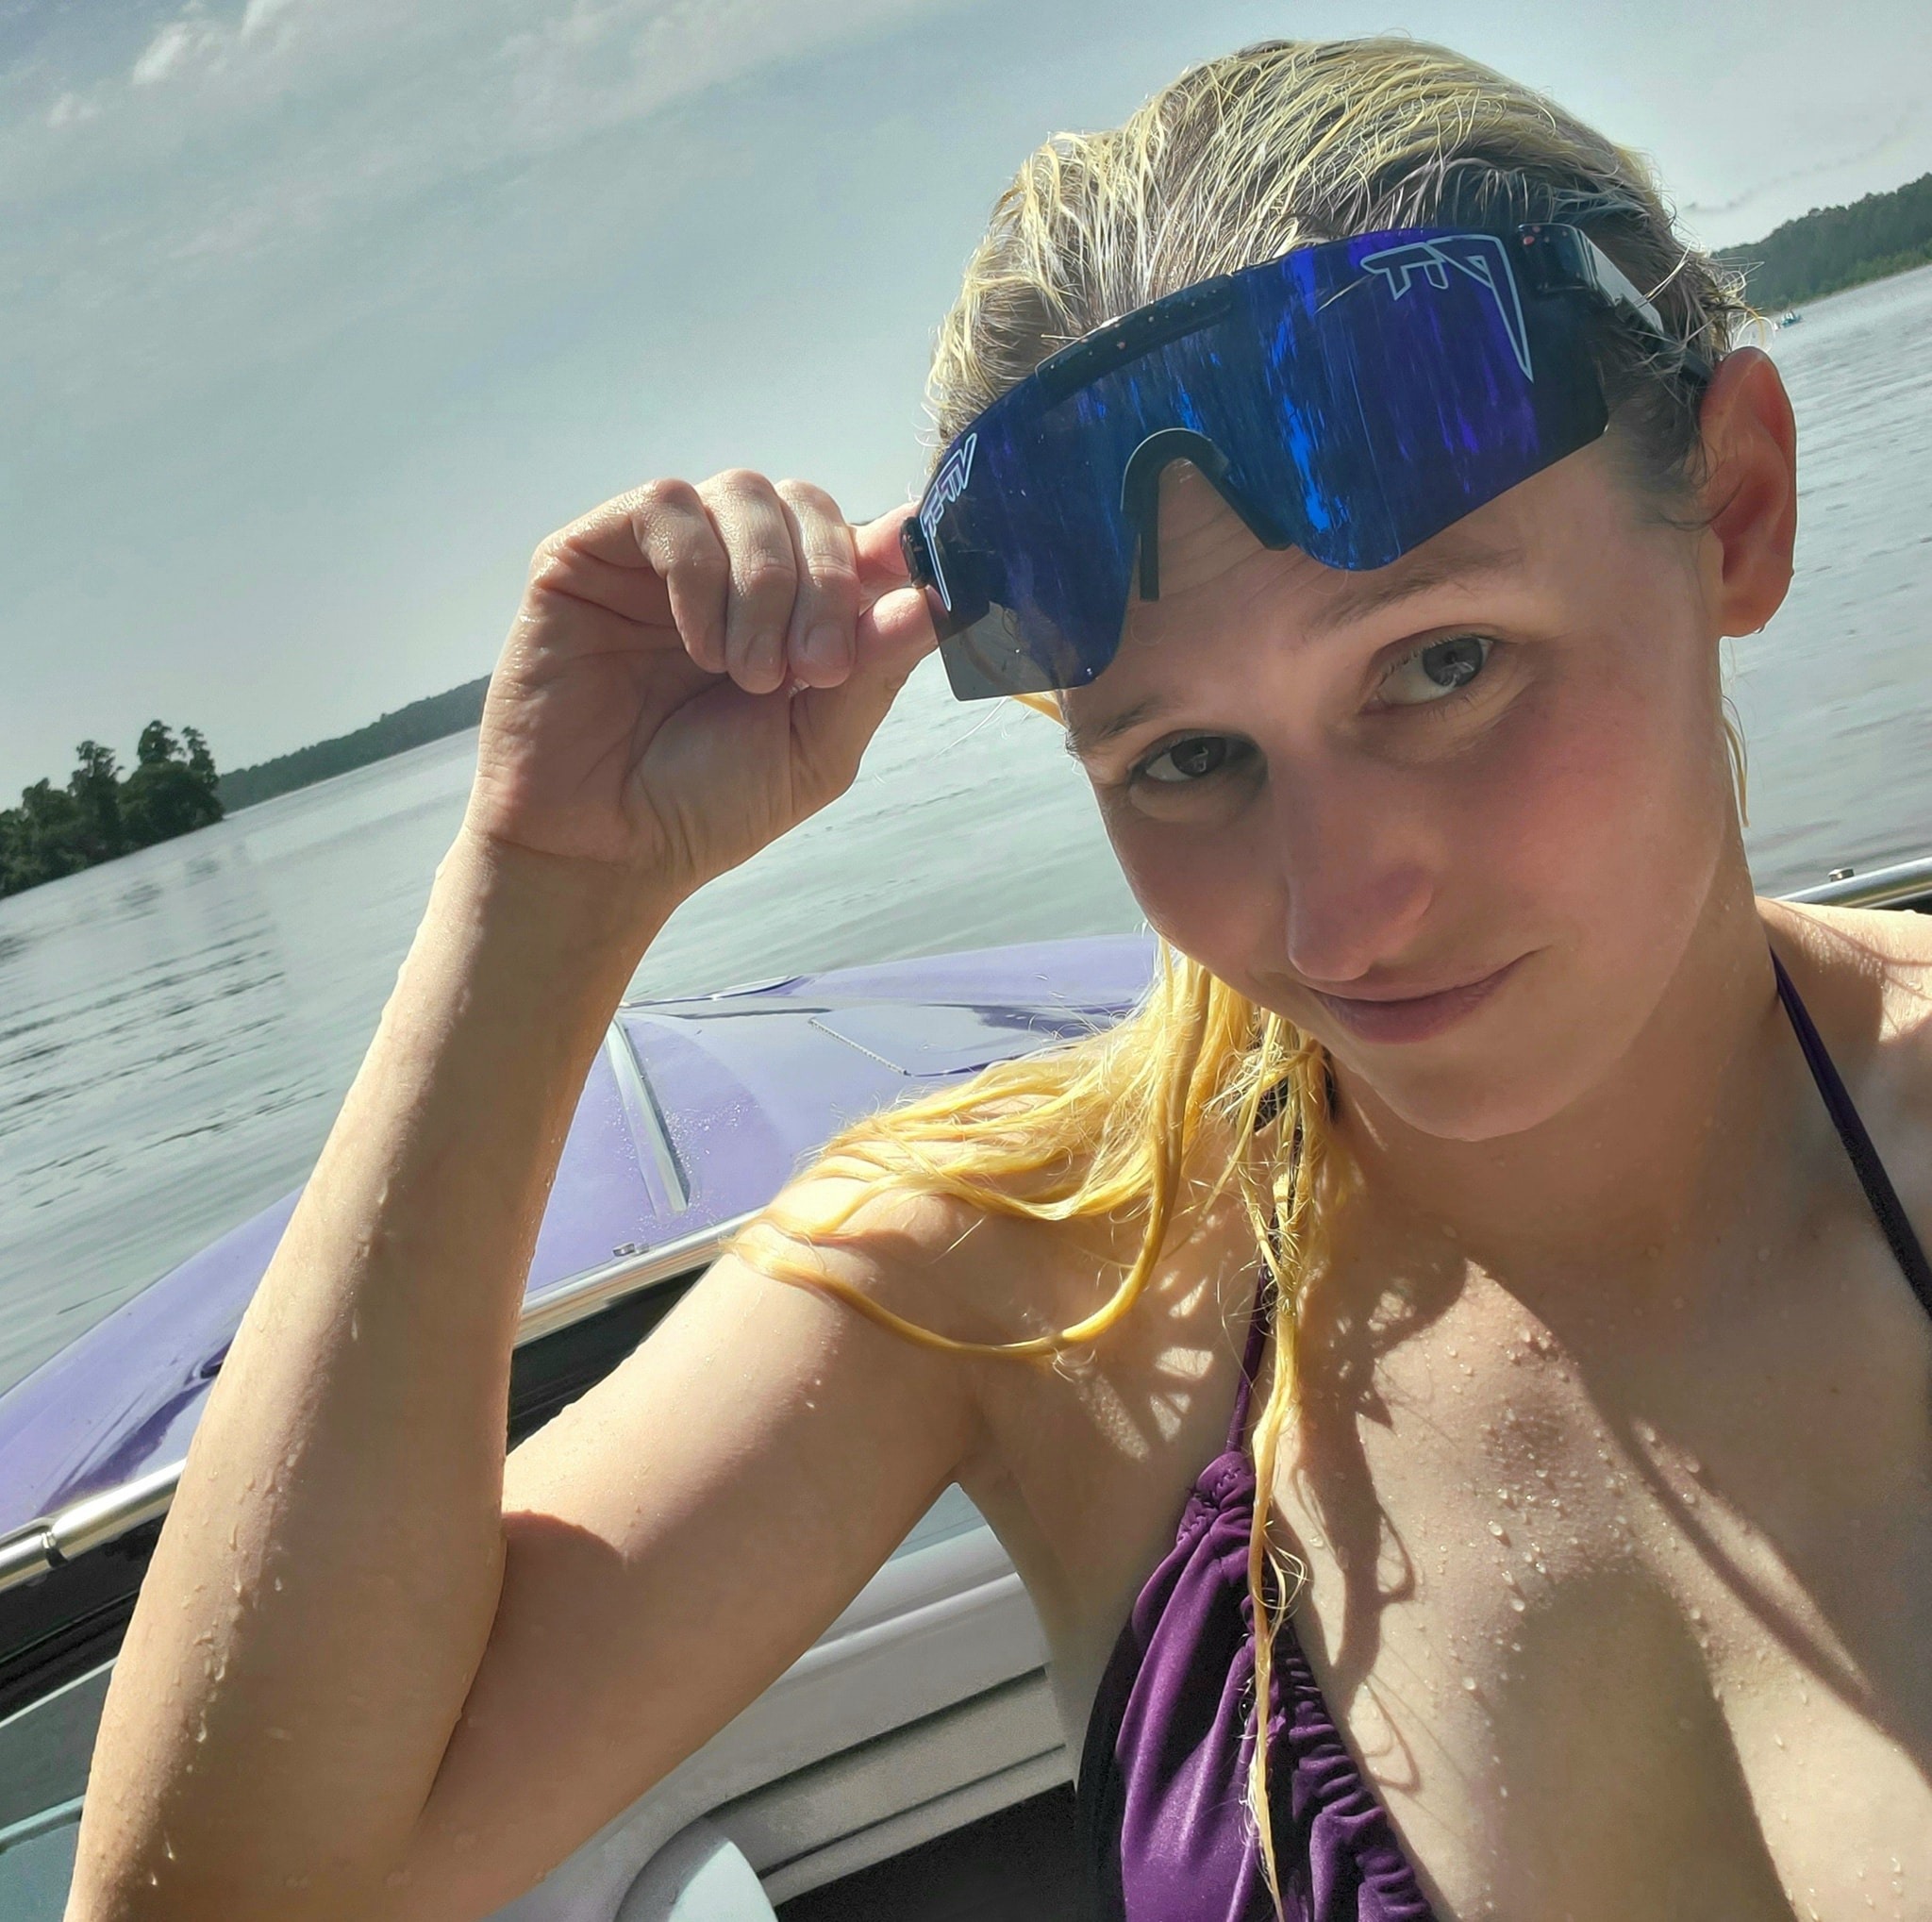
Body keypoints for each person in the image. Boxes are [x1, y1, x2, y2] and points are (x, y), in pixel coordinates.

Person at [69, 35, 1932, 1922]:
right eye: (1184, 760)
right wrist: (544, 888)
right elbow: (222, 1893)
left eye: (1442, 663)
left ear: (1738, 508)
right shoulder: (1038, 1289)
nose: (1338, 919)